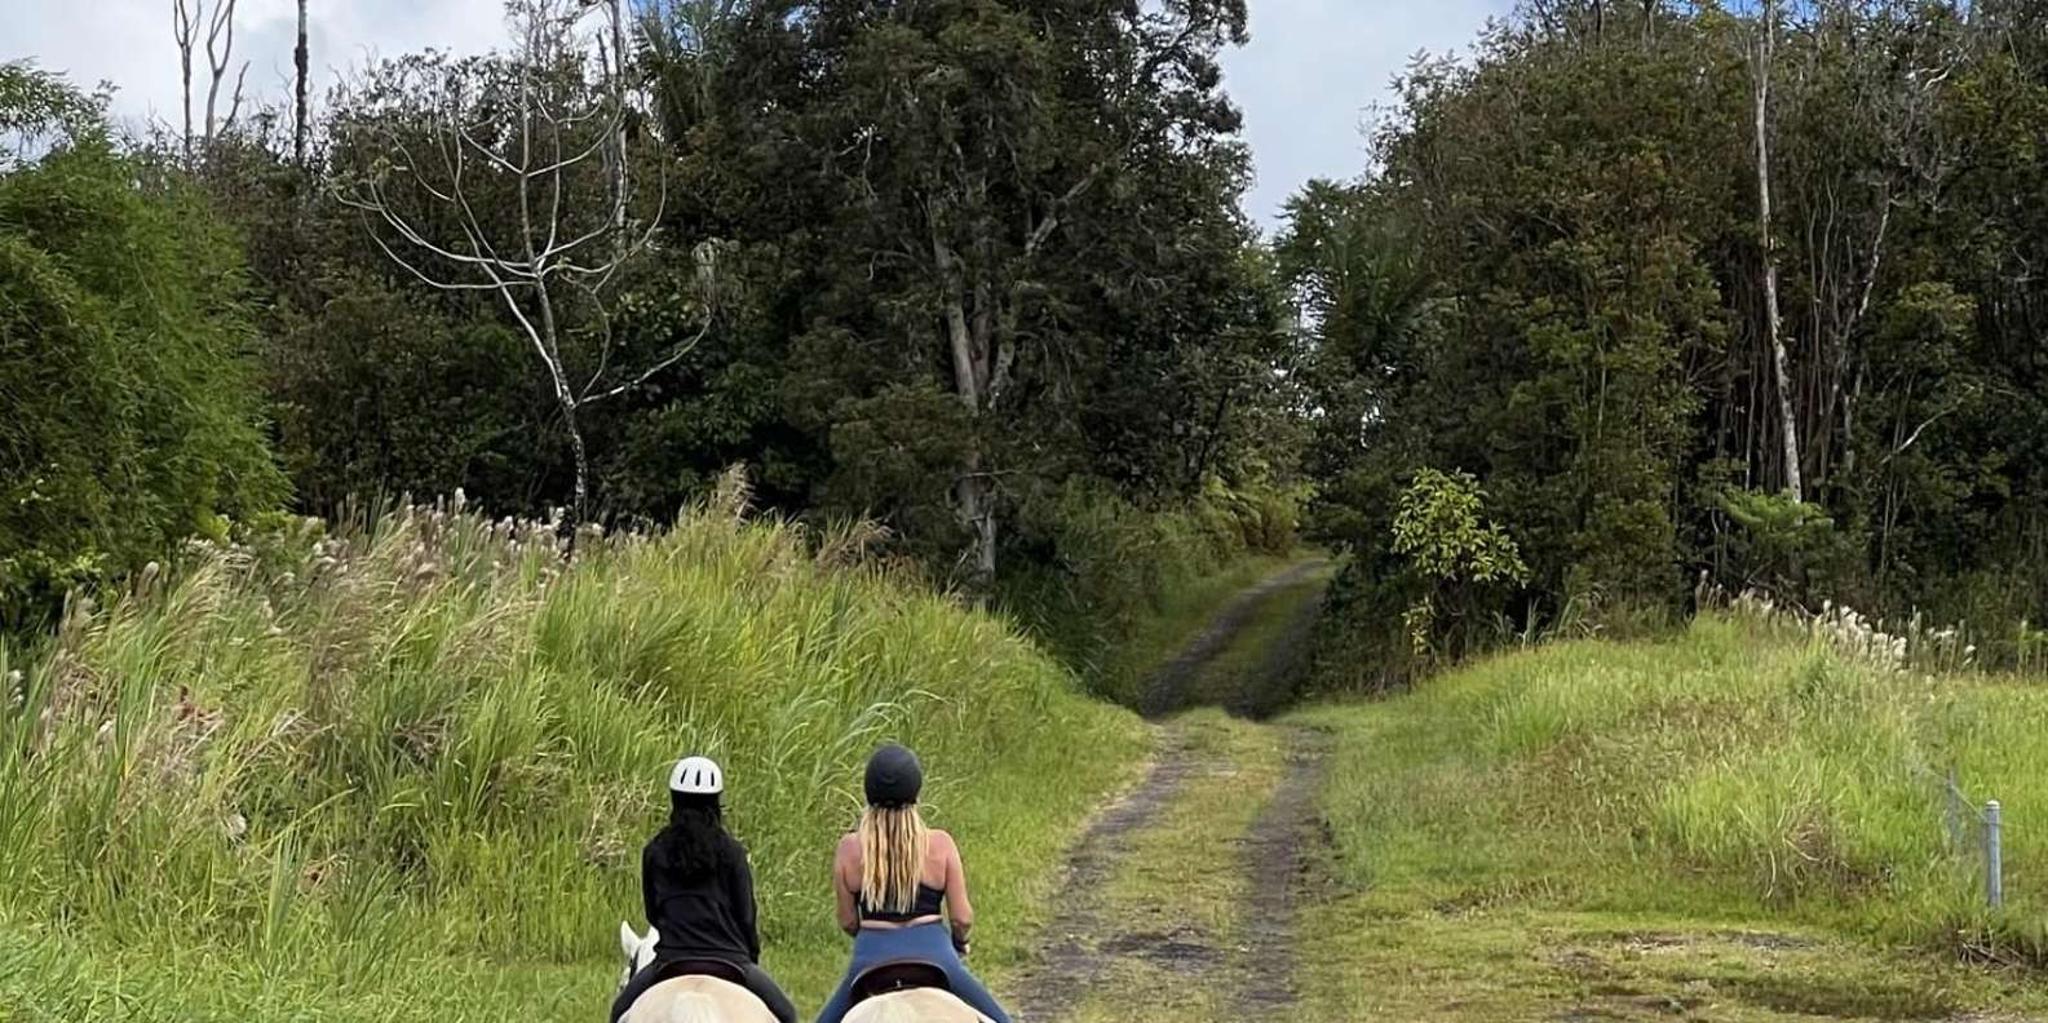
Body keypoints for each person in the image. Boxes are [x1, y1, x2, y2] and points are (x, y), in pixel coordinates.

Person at [814, 744, 1011, 1023]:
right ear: (916, 791)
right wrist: (959, 942)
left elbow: (847, 921)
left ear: (869, 791)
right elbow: (962, 918)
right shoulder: (940, 844)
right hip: (936, 955)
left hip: (869, 959)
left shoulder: (849, 849)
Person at [612, 756, 798, 1023]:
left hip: (671, 959)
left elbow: (653, 914)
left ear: (674, 799)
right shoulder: (732, 852)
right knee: (788, 1014)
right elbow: (746, 916)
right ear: (716, 802)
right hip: (732, 959)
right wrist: (749, 958)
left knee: (618, 1012)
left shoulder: (654, 851)